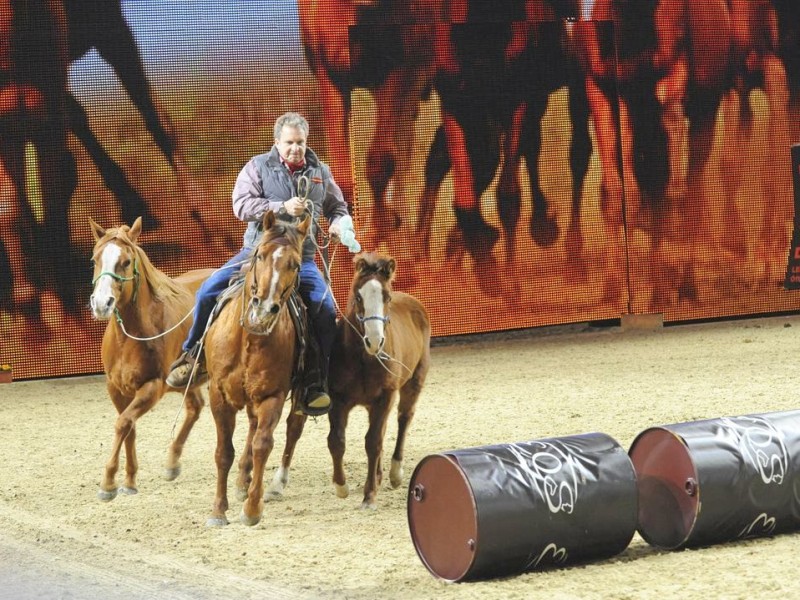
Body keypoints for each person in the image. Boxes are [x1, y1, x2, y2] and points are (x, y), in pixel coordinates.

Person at [166, 112, 349, 416]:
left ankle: (315, 380)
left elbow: (337, 207)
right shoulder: (257, 167)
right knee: (209, 289)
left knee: (326, 310)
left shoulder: (321, 173)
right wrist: (280, 206)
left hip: (300, 259)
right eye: (289, 142)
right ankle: (192, 356)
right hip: (257, 253)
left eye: (300, 143)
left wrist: (341, 223)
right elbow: (241, 205)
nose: (295, 149)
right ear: (277, 142)